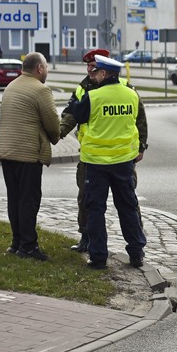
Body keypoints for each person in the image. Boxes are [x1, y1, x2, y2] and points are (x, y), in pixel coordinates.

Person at [64, 55, 146, 270]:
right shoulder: (131, 95)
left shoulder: (94, 96)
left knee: (95, 210)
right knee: (128, 207)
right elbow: (138, 120)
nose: (95, 75)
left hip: (97, 162)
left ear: (103, 73)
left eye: (97, 72)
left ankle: (98, 257)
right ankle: (136, 252)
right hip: (123, 162)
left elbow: (78, 115)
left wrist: (75, 102)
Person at [0, 52, 60, 260]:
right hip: (28, 154)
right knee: (29, 200)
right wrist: (56, 136)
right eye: (46, 68)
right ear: (39, 69)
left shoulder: (11, 87)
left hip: (7, 152)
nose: (47, 71)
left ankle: (16, 243)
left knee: (14, 199)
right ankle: (29, 246)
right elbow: (52, 125)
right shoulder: (41, 90)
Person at [60, 48, 110, 252]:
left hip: (120, 155)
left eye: (93, 66)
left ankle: (136, 244)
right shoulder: (83, 88)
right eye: (88, 66)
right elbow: (70, 114)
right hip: (90, 155)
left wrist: (141, 145)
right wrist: (58, 133)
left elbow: (138, 118)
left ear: (104, 69)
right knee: (86, 199)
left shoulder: (123, 88)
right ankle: (86, 238)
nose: (89, 70)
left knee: (128, 202)